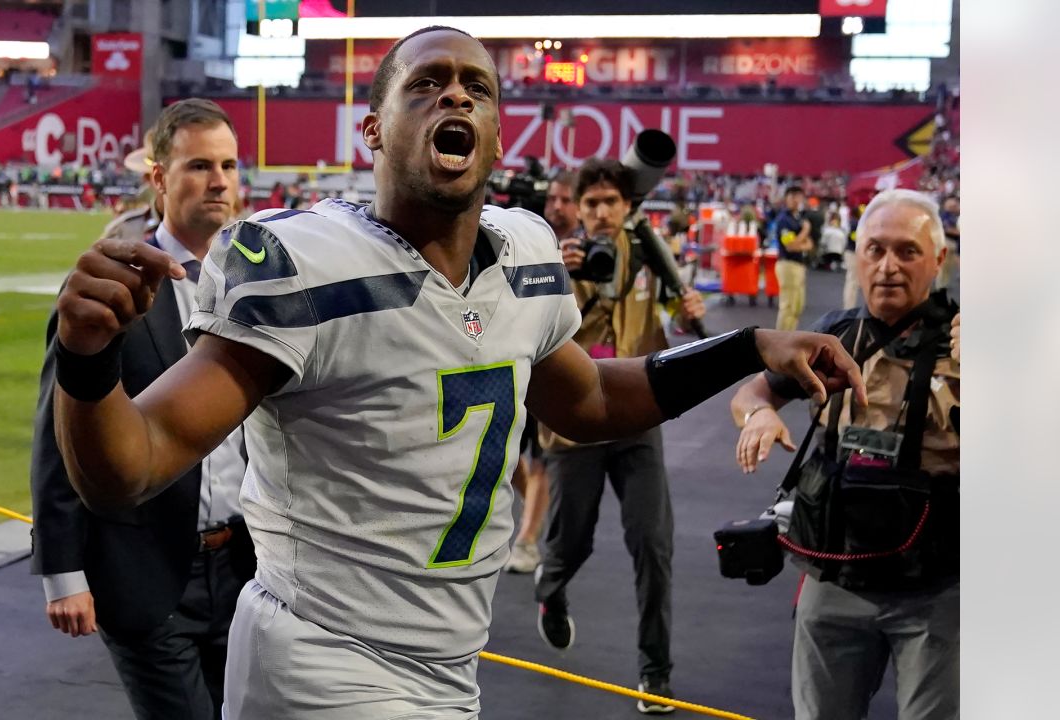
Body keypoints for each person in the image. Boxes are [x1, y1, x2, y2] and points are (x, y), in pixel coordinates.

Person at [51, 27, 863, 718]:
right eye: (427, 84)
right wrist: (87, 364)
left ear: (499, 135)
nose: (455, 97)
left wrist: (745, 346)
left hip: (447, 661)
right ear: (371, 131)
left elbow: (589, 401)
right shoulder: (299, 264)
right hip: (320, 661)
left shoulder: (524, 257)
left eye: (476, 85)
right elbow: (135, 463)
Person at [30, 99, 253, 720]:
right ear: (158, 177)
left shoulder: (256, 286)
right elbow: (60, 435)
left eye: (230, 166)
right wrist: (62, 571)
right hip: (150, 572)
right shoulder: (113, 283)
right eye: (199, 166)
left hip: (246, 566)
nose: (219, 182)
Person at [729, 188, 959, 720]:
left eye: (908, 251)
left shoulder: (965, 344)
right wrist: (759, 415)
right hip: (834, 577)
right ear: (857, 254)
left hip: (936, 587)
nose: (888, 267)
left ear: (939, 260)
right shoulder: (831, 335)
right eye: (875, 249)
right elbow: (751, 393)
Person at [533, 157, 706, 713]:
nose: (602, 213)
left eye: (611, 202)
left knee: (653, 545)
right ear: (577, 210)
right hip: (575, 423)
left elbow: (681, 322)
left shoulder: (653, 258)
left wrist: (689, 310)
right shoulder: (556, 261)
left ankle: (656, 673)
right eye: (591, 204)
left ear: (628, 207)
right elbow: (533, 335)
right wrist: (559, 279)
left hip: (636, 419)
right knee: (570, 545)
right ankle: (550, 589)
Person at [504, 171, 582, 574]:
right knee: (513, 456)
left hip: (561, 364)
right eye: (553, 198)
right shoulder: (528, 238)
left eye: (566, 199)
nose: (557, 206)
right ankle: (536, 513)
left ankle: (528, 539)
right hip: (519, 359)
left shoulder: (591, 246)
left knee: (540, 460)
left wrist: (570, 273)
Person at [770, 185, 813, 330]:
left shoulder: (798, 218)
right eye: (792, 197)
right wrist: (805, 232)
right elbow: (790, 246)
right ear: (786, 199)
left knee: (797, 306)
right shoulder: (784, 219)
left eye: (798, 196)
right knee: (788, 306)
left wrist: (800, 242)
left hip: (798, 264)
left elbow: (809, 244)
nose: (795, 200)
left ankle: (789, 337)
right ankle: (781, 342)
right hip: (788, 264)